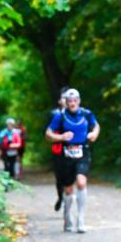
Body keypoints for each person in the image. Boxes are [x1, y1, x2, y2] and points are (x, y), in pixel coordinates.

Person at [45, 88, 100, 233]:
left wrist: (94, 134)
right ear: (66, 102)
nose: (72, 103)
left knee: (81, 183)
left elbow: (96, 126)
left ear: (79, 101)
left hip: (83, 151)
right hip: (66, 154)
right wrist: (61, 137)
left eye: (75, 100)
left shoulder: (86, 113)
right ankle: (67, 214)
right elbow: (48, 134)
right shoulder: (60, 116)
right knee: (68, 189)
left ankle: (81, 219)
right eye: (69, 101)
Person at [47, 92, 67, 211]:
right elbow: (48, 133)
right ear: (59, 101)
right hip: (59, 149)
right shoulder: (55, 114)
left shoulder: (79, 114)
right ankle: (61, 197)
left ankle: (68, 196)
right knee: (59, 177)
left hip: (74, 149)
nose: (65, 100)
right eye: (63, 98)